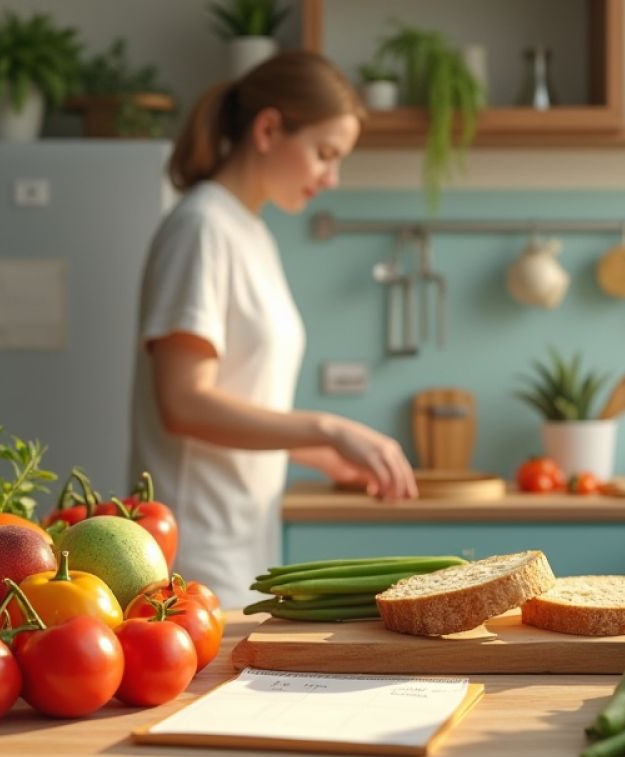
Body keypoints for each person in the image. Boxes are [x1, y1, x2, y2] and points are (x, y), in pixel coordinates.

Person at [131, 51, 418, 609]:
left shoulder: (250, 231)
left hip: (242, 540)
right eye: (324, 154)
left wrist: (315, 452)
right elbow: (184, 403)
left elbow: (238, 395)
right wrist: (328, 427)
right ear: (268, 129)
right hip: (196, 550)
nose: (330, 178)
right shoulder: (201, 227)